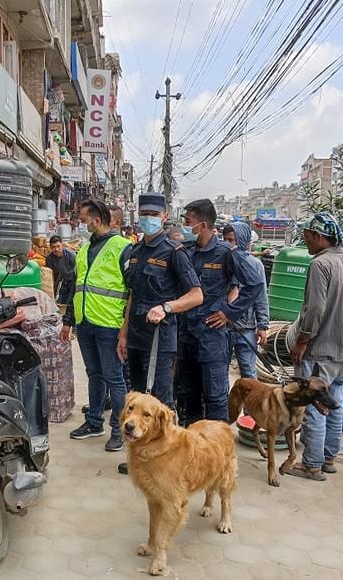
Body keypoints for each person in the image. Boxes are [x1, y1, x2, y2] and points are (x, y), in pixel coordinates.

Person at [116, 192, 203, 474]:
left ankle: (168, 462)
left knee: (161, 406)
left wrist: (167, 306)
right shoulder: (135, 252)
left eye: (154, 215)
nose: (148, 220)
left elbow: (196, 295)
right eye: (144, 215)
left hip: (160, 341)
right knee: (137, 403)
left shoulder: (174, 253)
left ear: (165, 217)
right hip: (137, 339)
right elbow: (133, 296)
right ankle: (141, 458)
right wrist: (123, 334)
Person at [175, 199, 264, 425]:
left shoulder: (226, 253)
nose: (185, 226)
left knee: (215, 398)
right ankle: (194, 451)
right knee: (188, 396)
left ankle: (218, 452)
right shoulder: (186, 252)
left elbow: (253, 285)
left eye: (188, 222)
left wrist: (229, 313)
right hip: (186, 336)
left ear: (203, 225)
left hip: (212, 337)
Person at [286, 213, 343, 482]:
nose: (305, 243)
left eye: (307, 238)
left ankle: (311, 465)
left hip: (319, 348)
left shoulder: (320, 265)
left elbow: (315, 309)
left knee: (314, 404)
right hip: (342, 348)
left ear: (319, 237)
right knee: (334, 401)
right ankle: (328, 457)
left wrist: (302, 340)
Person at [61, 200, 132, 452]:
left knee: (115, 379)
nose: (81, 224)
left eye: (83, 219)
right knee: (95, 375)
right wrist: (68, 321)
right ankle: (94, 423)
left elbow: (133, 291)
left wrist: (125, 329)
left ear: (97, 220)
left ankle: (120, 430)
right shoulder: (83, 249)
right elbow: (75, 287)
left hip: (109, 324)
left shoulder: (123, 247)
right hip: (86, 323)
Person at [223, 223, 270, 379]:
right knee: (220, 369)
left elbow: (260, 296)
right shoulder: (221, 261)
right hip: (223, 325)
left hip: (246, 327)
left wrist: (263, 325)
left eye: (232, 240)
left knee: (248, 371)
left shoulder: (254, 264)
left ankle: (251, 403)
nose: (229, 244)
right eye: (226, 240)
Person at [45, 235, 76, 306]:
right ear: (50, 248)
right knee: (60, 303)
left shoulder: (71, 255)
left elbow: (80, 270)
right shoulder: (50, 259)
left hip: (75, 281)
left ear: (62, 245)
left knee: (71, 303)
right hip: (64, 281)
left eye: (58, 246)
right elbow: (50, 277)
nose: (56, 249)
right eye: (53, 247)